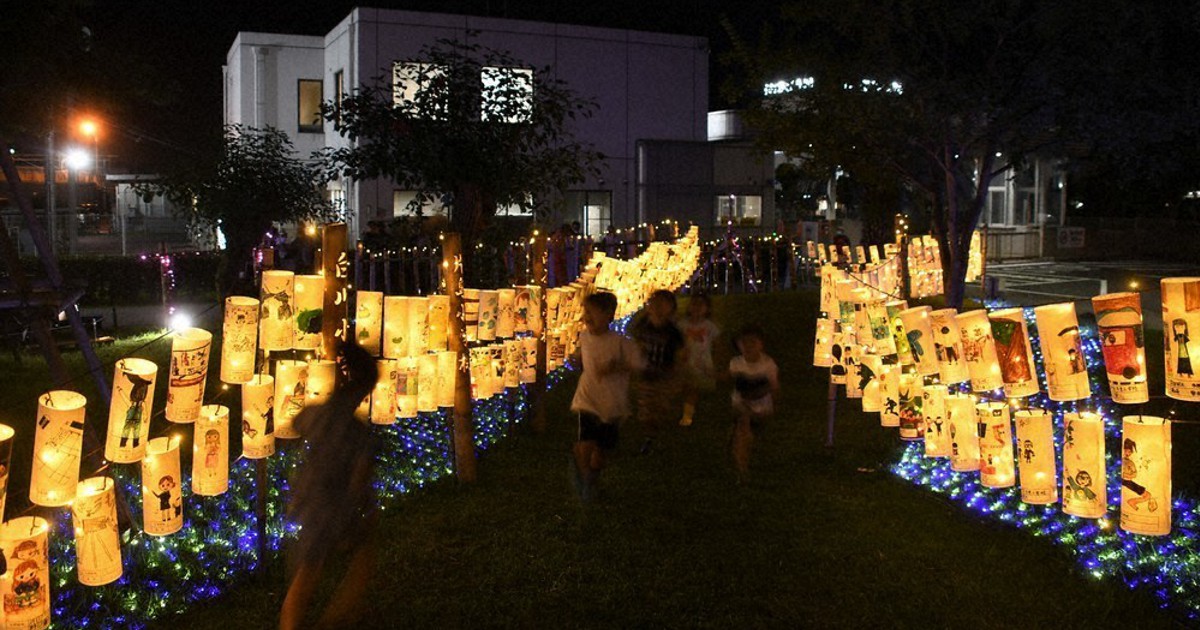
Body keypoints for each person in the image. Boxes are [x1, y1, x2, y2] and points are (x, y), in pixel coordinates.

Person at [280, 342, 379, 630]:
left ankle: (337, 616)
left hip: (308, 496)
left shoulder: (317, 413)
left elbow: (297, 424)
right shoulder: (358, 433)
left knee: (311, 565)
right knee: (319, 567)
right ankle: (331, 618)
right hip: (333, 505)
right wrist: (364, 508)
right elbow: (359, 477)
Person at [569, 292, 641, 501]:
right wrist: (576, 360)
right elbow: (583, 357)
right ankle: (585, 481)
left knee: (602, 449)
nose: (587, 317)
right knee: (586, 441)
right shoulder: (584, 337)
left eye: (592, 312)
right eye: (586, 312)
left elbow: (637, 364)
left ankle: (591, 475)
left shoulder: (620, 342)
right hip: (588, 398)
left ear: (609, 315)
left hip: (612, 402)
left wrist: (616, 367)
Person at [630, 289, 685, 454]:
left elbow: (680, 353)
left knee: (661, 407)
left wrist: (677, 374)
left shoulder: (672, 332)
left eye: (662, 304)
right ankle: (649, 437)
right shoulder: (643, 326)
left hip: (664, 375)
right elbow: (637, 343)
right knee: (646, 407)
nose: (657, 307)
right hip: (646, 374)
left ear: (671, 309)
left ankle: (659, 433)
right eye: (654, 303)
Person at [729, 324, 779, 484]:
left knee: (752, 432)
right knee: (743, 430)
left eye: (752, 342)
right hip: (742, 404)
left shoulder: (767, 364)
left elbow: (773, 386)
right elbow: (735, 384)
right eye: (744, 342)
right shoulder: (736, 363)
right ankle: (742, 469)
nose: (748, 346)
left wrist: (773, 404)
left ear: (760, 344)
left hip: (762, 406)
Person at [678, 293, 719, 427]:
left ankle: (689, 415)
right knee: (689, 388)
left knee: (695, 389)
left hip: (702, 362)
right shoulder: (682, 325)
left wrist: (717, 362)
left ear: (707, 308)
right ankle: (688, 413)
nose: (697, 307)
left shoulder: (709, 326)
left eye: (701, 305)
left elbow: (717, 344)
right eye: (694, 304)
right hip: (686, 361)